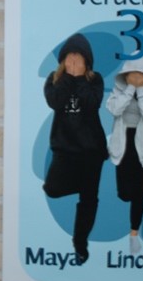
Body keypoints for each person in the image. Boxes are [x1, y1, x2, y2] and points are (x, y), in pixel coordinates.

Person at [43, 33, 108, 265]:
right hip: (65, 148)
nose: (73, 60)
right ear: (62, 59)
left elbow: (92, 104)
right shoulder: (53, 79)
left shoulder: (95, 80)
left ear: (86, 60)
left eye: (78, 56)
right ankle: (80, 182)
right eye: (70, 56)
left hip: (91, 150)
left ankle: (80, 243)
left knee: (89, 199)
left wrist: (80, 78)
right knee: (52, 189)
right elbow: (55, 102)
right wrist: (69, 78)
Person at [106, 55, 143, 255]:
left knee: (139, 194)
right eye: (133, 73)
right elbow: (114, 110)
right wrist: (130, 88)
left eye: (141, 74)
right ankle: (130, 214)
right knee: (124, 194)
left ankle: (134, 234)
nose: (137, 77)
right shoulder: (118, 90)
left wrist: (140, 90)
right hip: (123, 143)